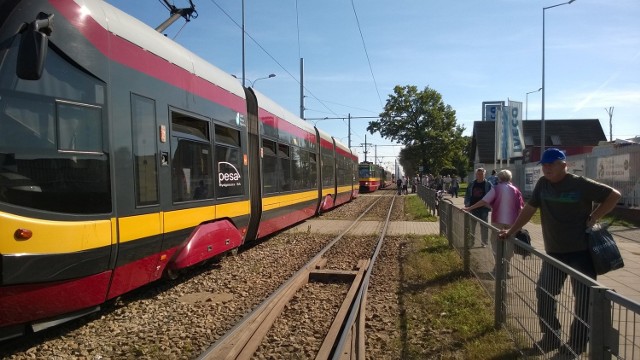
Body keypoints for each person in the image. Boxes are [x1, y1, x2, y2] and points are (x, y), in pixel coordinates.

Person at [498, 148, 621, 356]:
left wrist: (594, 216)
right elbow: (529, 209)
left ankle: (577, 343)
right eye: (544, 165)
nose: (546, 169)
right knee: (544, 292)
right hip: (554, 253)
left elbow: (614, 195)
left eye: (551, 164)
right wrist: (511, 231)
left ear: (564, 165)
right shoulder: (542, 185)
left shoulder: (579, 183)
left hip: (581, 253)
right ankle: (551, 336)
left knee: (583, 300)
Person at [463, 169, 523, 276]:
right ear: (510, 178)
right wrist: (520, 224)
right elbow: (520, 209)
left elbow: (483, 201)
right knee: (509, 245)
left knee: (495, 242)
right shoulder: (516, 190)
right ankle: (506, 267)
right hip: (512, 222)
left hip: (497, 221)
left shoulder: (496, 189)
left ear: (499, 178)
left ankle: (498, 266)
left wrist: (469, 208)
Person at [464, 167, 493, 247]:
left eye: (481, 174)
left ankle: (484, 242)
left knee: (484, 226)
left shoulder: (488, 184)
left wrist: (489, 205)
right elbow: (467, 194)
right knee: (472, 226)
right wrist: (467, 204)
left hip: (484, 208)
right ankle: (471, 242)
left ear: (484, 174)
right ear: (476, 175)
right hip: (473, 207)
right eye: (478, 174)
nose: (480, 175)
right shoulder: (471, 184)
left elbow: (492, 195)